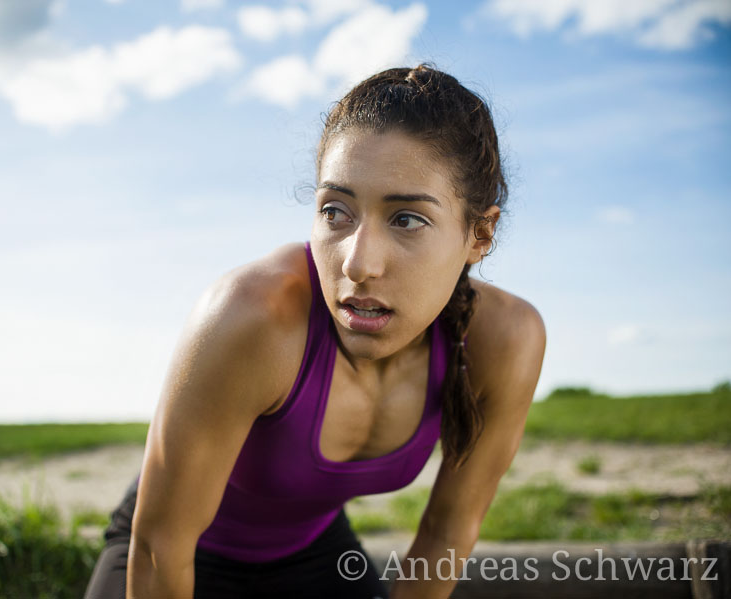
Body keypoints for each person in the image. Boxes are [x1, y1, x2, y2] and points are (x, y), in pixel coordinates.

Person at [84, 63, 546, 599]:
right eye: (336, 211)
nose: (357, 264)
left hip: (313, 554)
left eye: (406, 219)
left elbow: (447, 533)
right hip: (170, 552)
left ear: (479, 234)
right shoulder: (255, 317)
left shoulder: (505, 340)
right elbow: (161, 544)